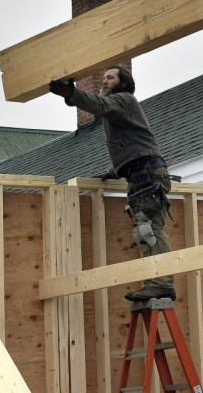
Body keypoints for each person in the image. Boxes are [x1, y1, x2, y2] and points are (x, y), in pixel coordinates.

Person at [49, 65, 176, 303]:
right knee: (145, 228)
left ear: (124, 82)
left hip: (146, 173)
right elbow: (129, 142)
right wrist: (115, 171)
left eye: (110, 77)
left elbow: (100, 104)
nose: (104, 81)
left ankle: (160, 284)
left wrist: (71, 94)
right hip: (140, 172)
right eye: (104, 78)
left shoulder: (124, 100)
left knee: (149, 229)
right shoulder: (117, 108)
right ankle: (156, 282)